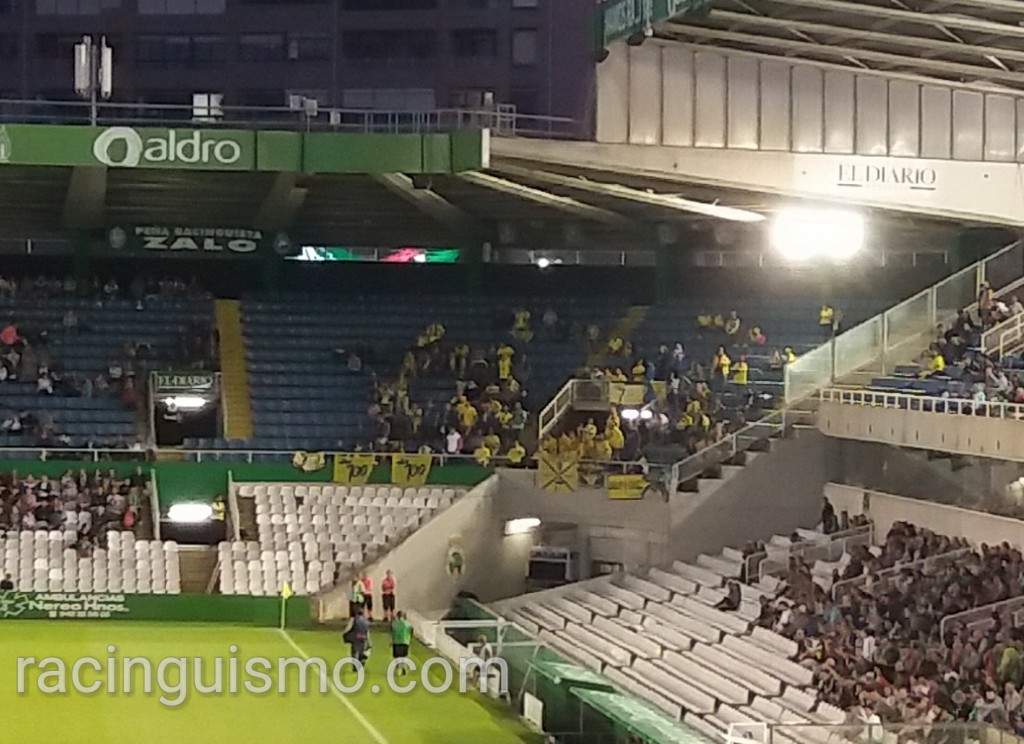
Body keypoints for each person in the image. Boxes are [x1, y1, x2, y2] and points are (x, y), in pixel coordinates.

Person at [391, 610, 413, 675]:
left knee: (397, 656)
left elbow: (392, 632)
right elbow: (411, 632)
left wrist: (391, 640)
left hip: (396, 642)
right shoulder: (408, 624)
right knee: (404, 656)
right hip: (405, 641)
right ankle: (404, 666)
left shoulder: (394, 623)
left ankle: (399, 667)